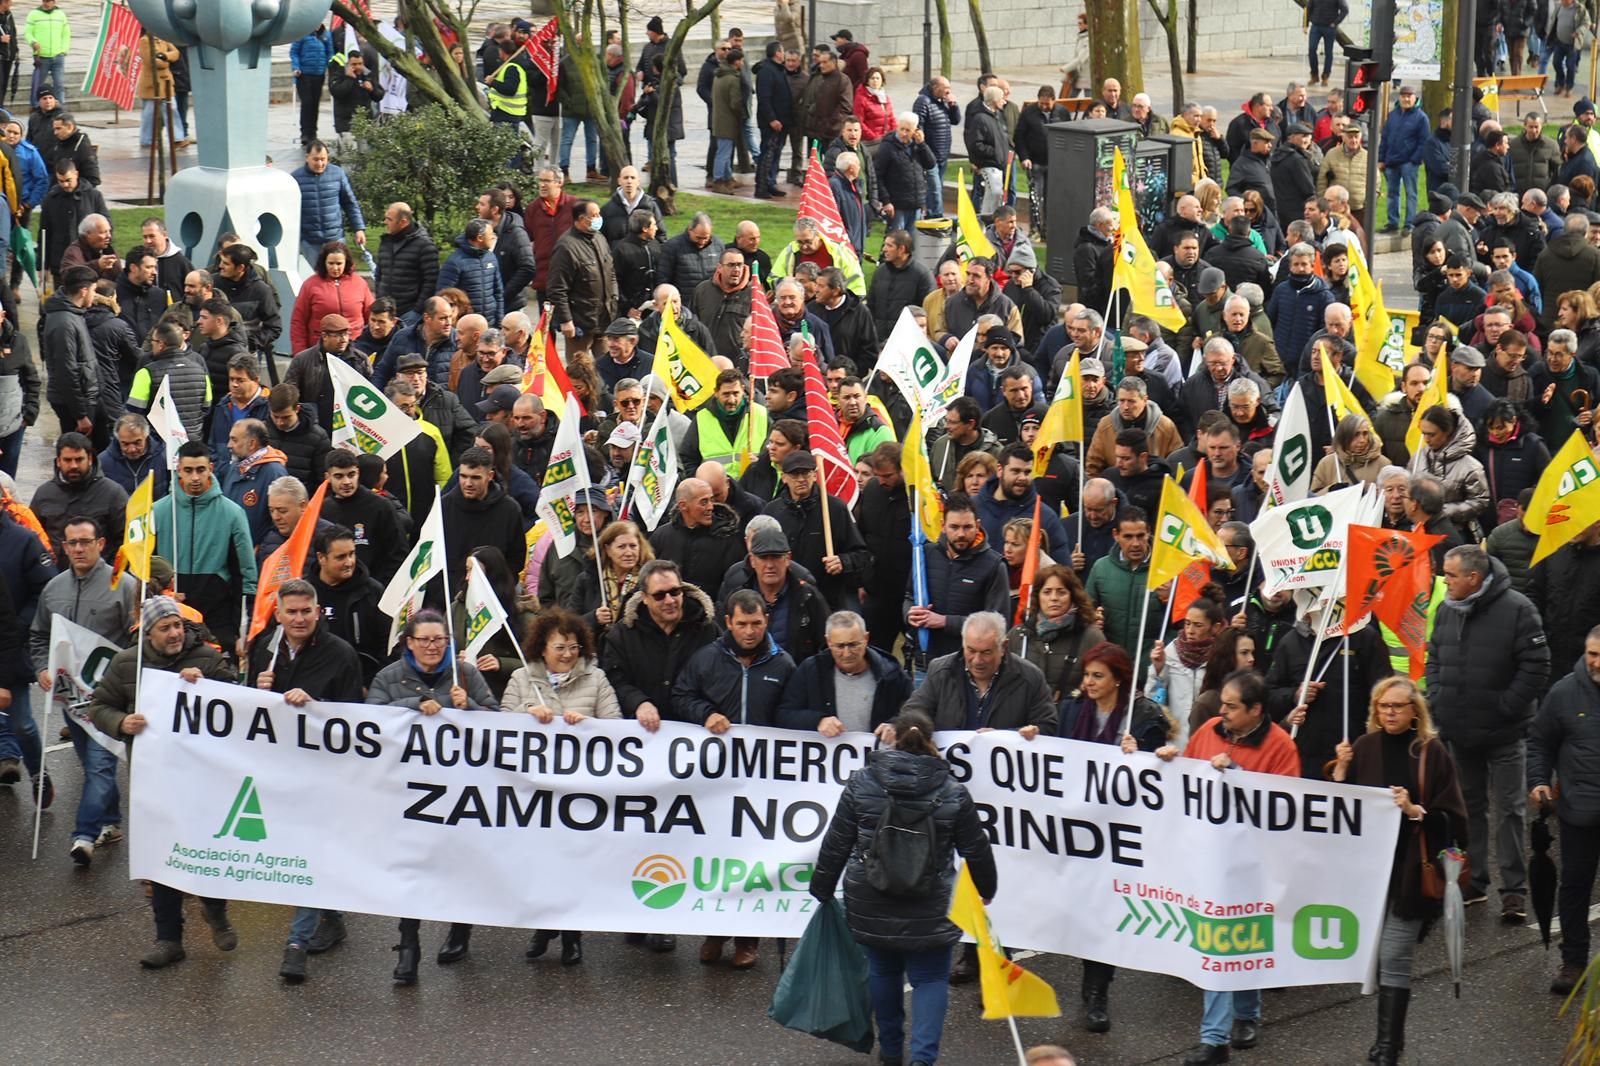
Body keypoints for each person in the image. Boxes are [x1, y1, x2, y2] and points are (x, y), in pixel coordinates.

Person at [809, 709, 996, 1066]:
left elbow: (837, 841)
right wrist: (987, 888)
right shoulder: (952, 791)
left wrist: (822, 887)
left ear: (890, 739)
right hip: (932, 901)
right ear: (931, 742)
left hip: (870, 896)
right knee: (930, 979)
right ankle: (923, 1059)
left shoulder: (861, 782)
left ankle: (891, 1050)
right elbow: (976, 848)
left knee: (882, 972)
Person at [1146, 670, 1299, 1063]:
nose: (1222, 712)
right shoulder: (1211, 729)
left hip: (1253, 862)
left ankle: (1233, 1024)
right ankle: (1221, 1034)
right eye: (1223, 704)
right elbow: (1188, 780)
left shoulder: (1281, 747)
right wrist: (1169, 760)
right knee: (1224, 938)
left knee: (1237, 936)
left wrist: (1239, 776)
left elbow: (1285, 808)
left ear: (1256, 710)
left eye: (1232, 706)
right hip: (1210, 858)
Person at [89, 596, 237, 967]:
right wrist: (121, 723)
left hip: (203, 779)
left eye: (178, 626)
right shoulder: (127, 664)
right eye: (165, 628)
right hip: (155, 781)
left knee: (207, 850)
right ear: (148, 633)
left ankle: (215, 911)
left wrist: (206, 686)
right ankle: (168, 938)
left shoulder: (206, 657)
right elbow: (98, 707)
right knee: (162, 858)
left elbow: (238, 699)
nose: (174, 634)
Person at [1330, 677, 1468, 1066]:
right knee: (1374, 957)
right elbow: (1340, 812)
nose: (1389, 713)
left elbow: (1455, 821)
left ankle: (1388, 1045)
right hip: (1370, 872)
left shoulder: (1431, 752)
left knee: (1394, 955)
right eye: (1382, 706)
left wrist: (1415, 811)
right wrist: (1340, 772)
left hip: (1412, 872)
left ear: (1414, 712)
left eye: (1397, 706)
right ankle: (1389, 1041)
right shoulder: (1364, 748)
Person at [244, 578, 363, 983]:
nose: (298, 619)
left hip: (323, 771)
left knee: (309, 850)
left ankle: (296, 944)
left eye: (305, 611)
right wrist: (258, 691)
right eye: (290, 612)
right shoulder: (265, 647)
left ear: (317, 612)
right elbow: (245, 708)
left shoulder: (341, 655)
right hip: (278, 768)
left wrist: (317, 707)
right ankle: (331, 916)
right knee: (298, 847)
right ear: (278, 613)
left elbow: (355, 717)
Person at [369, 609, 497, 982]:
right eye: (424, 640)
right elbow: (370, 717)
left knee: (460, 861)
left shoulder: (466, 675)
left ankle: (460, 929)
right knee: (412, 868)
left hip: (460, 787)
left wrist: (467, 707)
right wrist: (414, 706)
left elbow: (498, 719)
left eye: (439, 640)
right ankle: (409, 946)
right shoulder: (389, 677)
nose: (431, 647)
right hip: (408, 790)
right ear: (409, 643)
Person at [1427, 544, 1549, 922]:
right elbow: (1434, 656)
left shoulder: (1517, 609)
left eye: (1450, 575)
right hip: (1460, 732)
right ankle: (1474, 881)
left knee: (1509, 811)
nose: (1444, 581)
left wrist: (1506, 707)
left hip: (1505, 733)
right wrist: (1437, 699)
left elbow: (1537, 664)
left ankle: (1513, 891)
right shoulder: (1448, 608)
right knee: (1469, 810)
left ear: (1473, 578)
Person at [500, 607, 620, 966]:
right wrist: (528, 712)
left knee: (573, 863)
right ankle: (543, 926)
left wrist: (588, 725)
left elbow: (616, 725)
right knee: (540, 864)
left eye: (573, 648)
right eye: (559, 648)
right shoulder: (523, 679)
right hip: (534, 791)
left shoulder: (596, 679)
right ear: (542, 650)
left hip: (579, 791)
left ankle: (572, 937)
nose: (568, 655)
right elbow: (501, 722)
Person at [29, 516, 136, 865]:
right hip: (71, 698)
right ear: (64, 547)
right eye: (72, 543)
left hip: (110, 701)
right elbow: (39, 635)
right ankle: (112, 822)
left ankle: (84, 835)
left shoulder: (125, 587)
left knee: (101, 764)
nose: (78, 548)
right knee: (91, 766)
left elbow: (138, 643)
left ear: (100, 544)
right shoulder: (53, 588)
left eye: (85, 542)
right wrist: (42, 667)